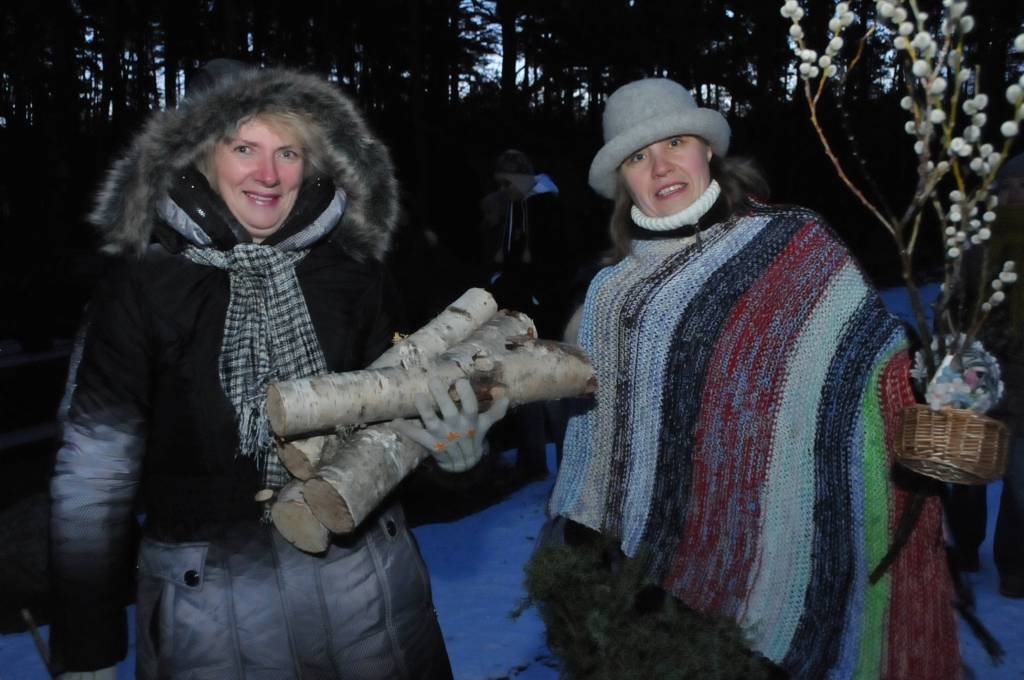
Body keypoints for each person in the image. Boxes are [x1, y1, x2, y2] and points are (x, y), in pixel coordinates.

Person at [49, 61, 505, 680]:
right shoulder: (141, 287)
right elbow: (92, 479)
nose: (268, 175)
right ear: (198, 155)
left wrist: (455, 460)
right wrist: (89, 648)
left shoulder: (352, 273)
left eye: (288, 151)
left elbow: (398, 432)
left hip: (372, 608)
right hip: (216, 628)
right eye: (244, 147)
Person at [545, 78, 960, 678]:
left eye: (676, 143)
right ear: (622, 181)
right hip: (650, 582)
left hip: (783, 544)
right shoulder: (611, 297)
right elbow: (604, 442)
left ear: (707, 149)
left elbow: (876, 372)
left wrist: (940, 386)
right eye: (638, 157)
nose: (660, 166)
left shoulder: (795, 244)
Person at [947, 152, 1024, 598]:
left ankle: (1014, 564)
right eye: (1005, 188)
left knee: (1020, 477)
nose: (1012, 196)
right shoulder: (978, 244)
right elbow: (953, 303)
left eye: (1020, 188)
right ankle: (965, 546)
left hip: (1023, 381)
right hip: (977, 371)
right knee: (968, 468)